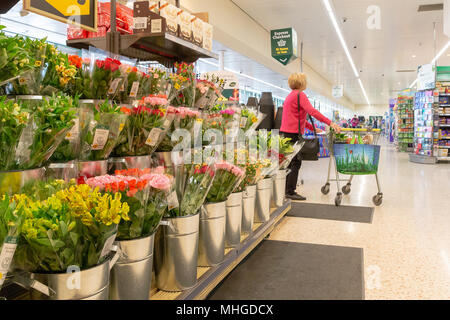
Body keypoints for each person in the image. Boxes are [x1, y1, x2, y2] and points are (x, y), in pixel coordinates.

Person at [280, 73, 341, 201]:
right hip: (293, 134)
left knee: (290, 162)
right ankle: (290, 191)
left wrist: (312, 128)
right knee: (296, 161)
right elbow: (312, 112)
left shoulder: (290, 96)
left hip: (286, 133)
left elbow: (297, 117)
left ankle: (286, 189)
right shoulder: (300, 95)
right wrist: (330, 123)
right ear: (302, 82)